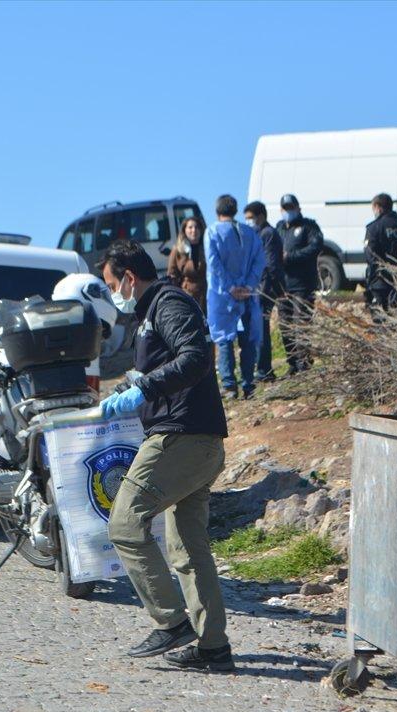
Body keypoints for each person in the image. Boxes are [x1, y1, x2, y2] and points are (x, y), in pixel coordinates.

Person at [97, 239, 233, 672]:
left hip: (182, 438)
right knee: (188, 546)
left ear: (129, 278)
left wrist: (145, 389)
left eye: (112, 285)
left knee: (125, 522)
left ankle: (171, 622)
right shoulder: (153, 311)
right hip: (197, 441)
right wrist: (133, 386)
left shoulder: (167, 304)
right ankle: (213, 647)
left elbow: (196, 358)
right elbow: (166, 365)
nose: (113, 294)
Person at [205, 194, 264, 400]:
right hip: (247, 294)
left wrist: (230, 287)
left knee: (224, 339)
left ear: (217, 211)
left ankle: (229, 385)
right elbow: (259, 261)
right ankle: (248, 384)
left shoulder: (212, 232)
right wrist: (248, 285)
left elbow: (214, 263)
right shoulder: (249, 232)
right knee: (247, 340)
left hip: (222, 295)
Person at [275, 194, 323, 374]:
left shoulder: (309, 226)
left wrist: (290, 257)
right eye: (285, 209)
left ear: (298, 208)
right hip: (283, 285)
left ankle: (304, 364)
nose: (288, 212)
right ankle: (293, 363)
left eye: (291, 208)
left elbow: (315, 247)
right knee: (285, 325)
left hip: (303, 284)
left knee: (301, 323)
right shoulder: (279, 228)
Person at [243, 201, 284, 382]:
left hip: (264, 290)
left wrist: (262, 292)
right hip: (255, 289)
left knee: (261, 330)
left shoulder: (268, 234)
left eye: (251, 218)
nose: (248, 221)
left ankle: (264, 370)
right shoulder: (255, 234)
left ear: (261, 216)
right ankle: (261, 368)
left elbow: (269, 265)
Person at [166, 216, 208, 310]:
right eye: (190, 227)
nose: (194, 230)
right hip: (187, 298)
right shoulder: (178, 250)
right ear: (184, 230)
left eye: (197, 227)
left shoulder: (207, 248)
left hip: (206, 297)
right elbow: (172, 276)